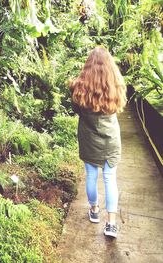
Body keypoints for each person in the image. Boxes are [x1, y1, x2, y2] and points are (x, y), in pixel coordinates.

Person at [69, 47, 127, 238]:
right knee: (110, 178)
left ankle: (94, 210)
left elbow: (76, 109)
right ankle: (111, 224)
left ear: (88, 66)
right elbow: (119, 108)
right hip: (110, 141)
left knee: (91, 175)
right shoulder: (116, 86)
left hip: (89, 140)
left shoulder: (78, 88)